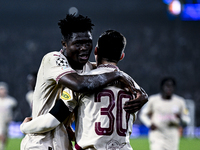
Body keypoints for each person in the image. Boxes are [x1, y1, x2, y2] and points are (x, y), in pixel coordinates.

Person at [20, 14, 147, 150]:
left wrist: (143, 95)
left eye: (88, 42)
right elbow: (80, 84)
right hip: (41, 140)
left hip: (63, 142)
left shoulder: (89, 70)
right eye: (78, 43)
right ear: (64, 44)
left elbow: (103, 71)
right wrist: (119, 75)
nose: (84, 48)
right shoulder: (53, 59)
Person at [139, 77, 190, 150]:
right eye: (167, 85)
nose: (169, 88)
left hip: (172, 135)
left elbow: (187, 120)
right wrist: (150, 124)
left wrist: (181, 118)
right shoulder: (153, 100)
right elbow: (143, 115)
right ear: (162, 87)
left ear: (174, 88)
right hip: (157, 134)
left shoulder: (180, 102)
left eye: (171, 86)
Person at [0, 82, 17, 150]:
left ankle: (2, 147)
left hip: (6, 121)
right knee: (1, 134)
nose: (2, 91)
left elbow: (15, 110)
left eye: (3, 89)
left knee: (5, 136)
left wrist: (12, 117)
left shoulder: (11, 101)